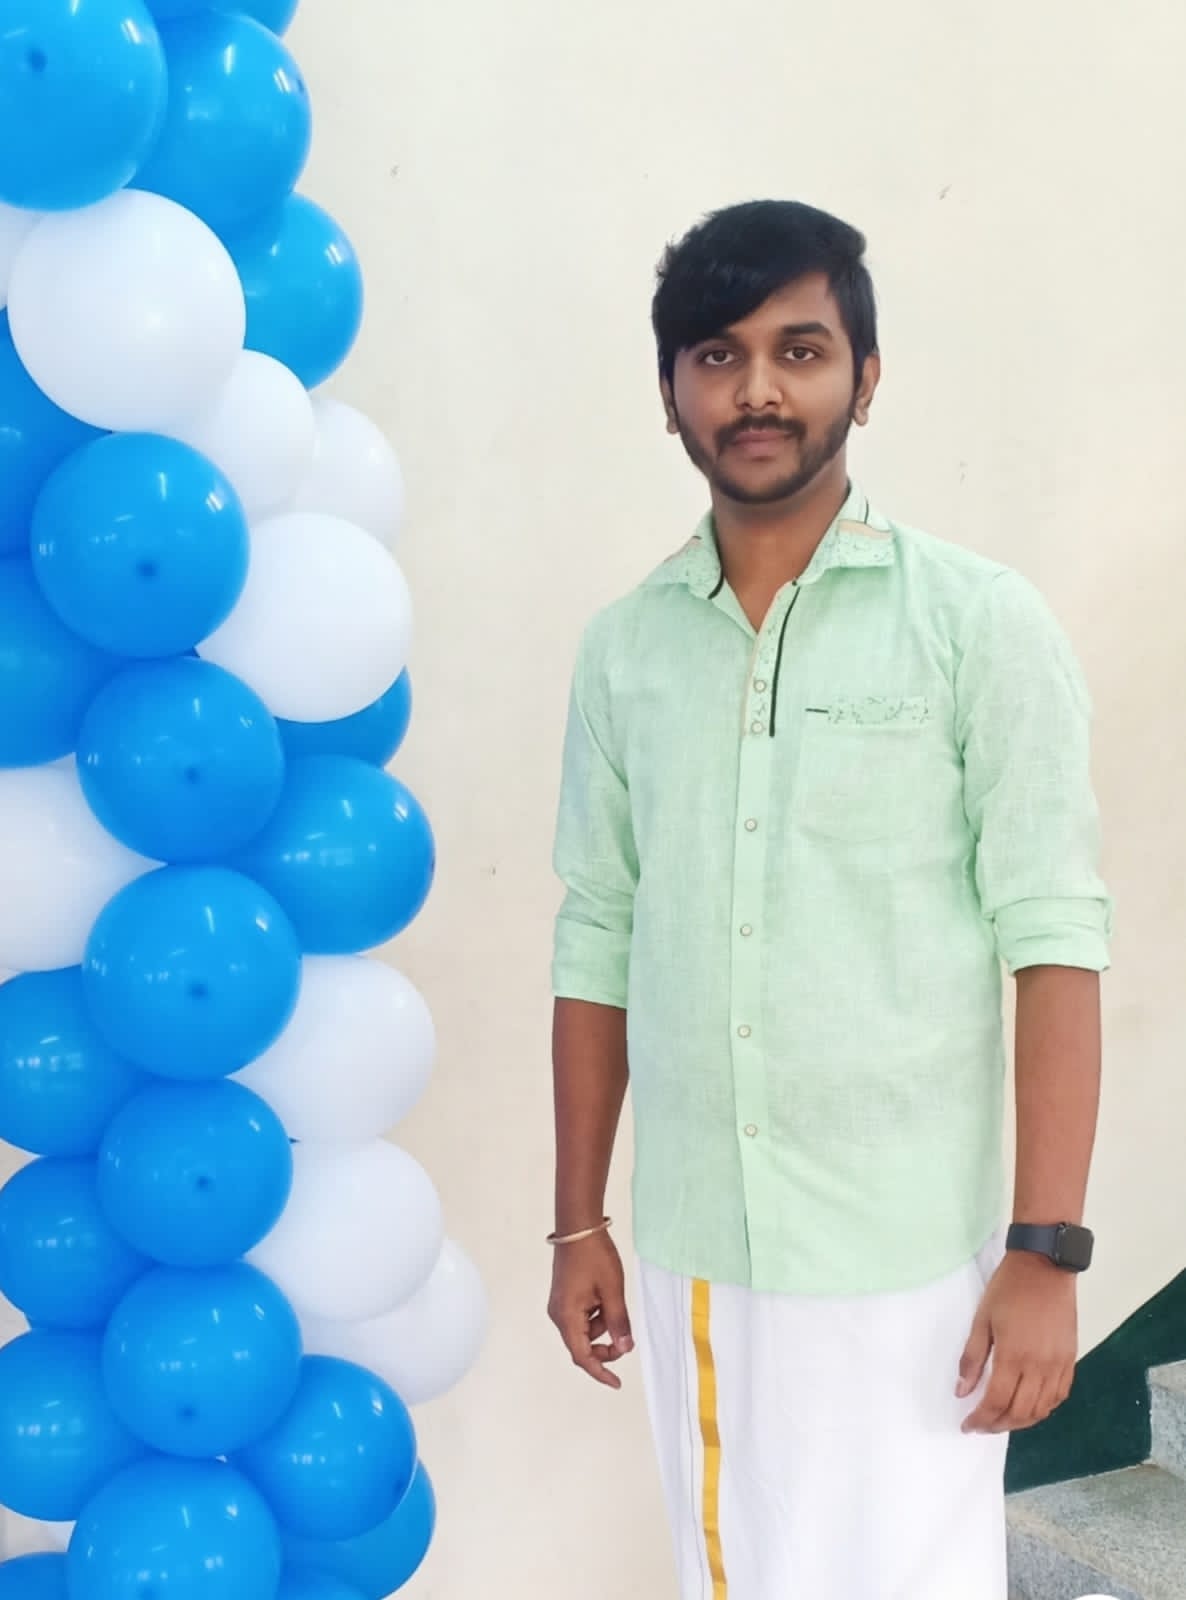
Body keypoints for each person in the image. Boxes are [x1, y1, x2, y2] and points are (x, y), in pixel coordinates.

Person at [546, 198, 1111, 1599]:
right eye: (717, 355)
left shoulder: (977, 623)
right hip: (694, 1245)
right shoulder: (624, 652)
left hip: (907, 1256)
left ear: (864, 379)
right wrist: (577, 1219)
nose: (757, 390)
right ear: (669, 392)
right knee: (730, 1572)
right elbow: (597, 936)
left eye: (798, 351)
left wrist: (1045, 1254)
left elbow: (1052, 941)